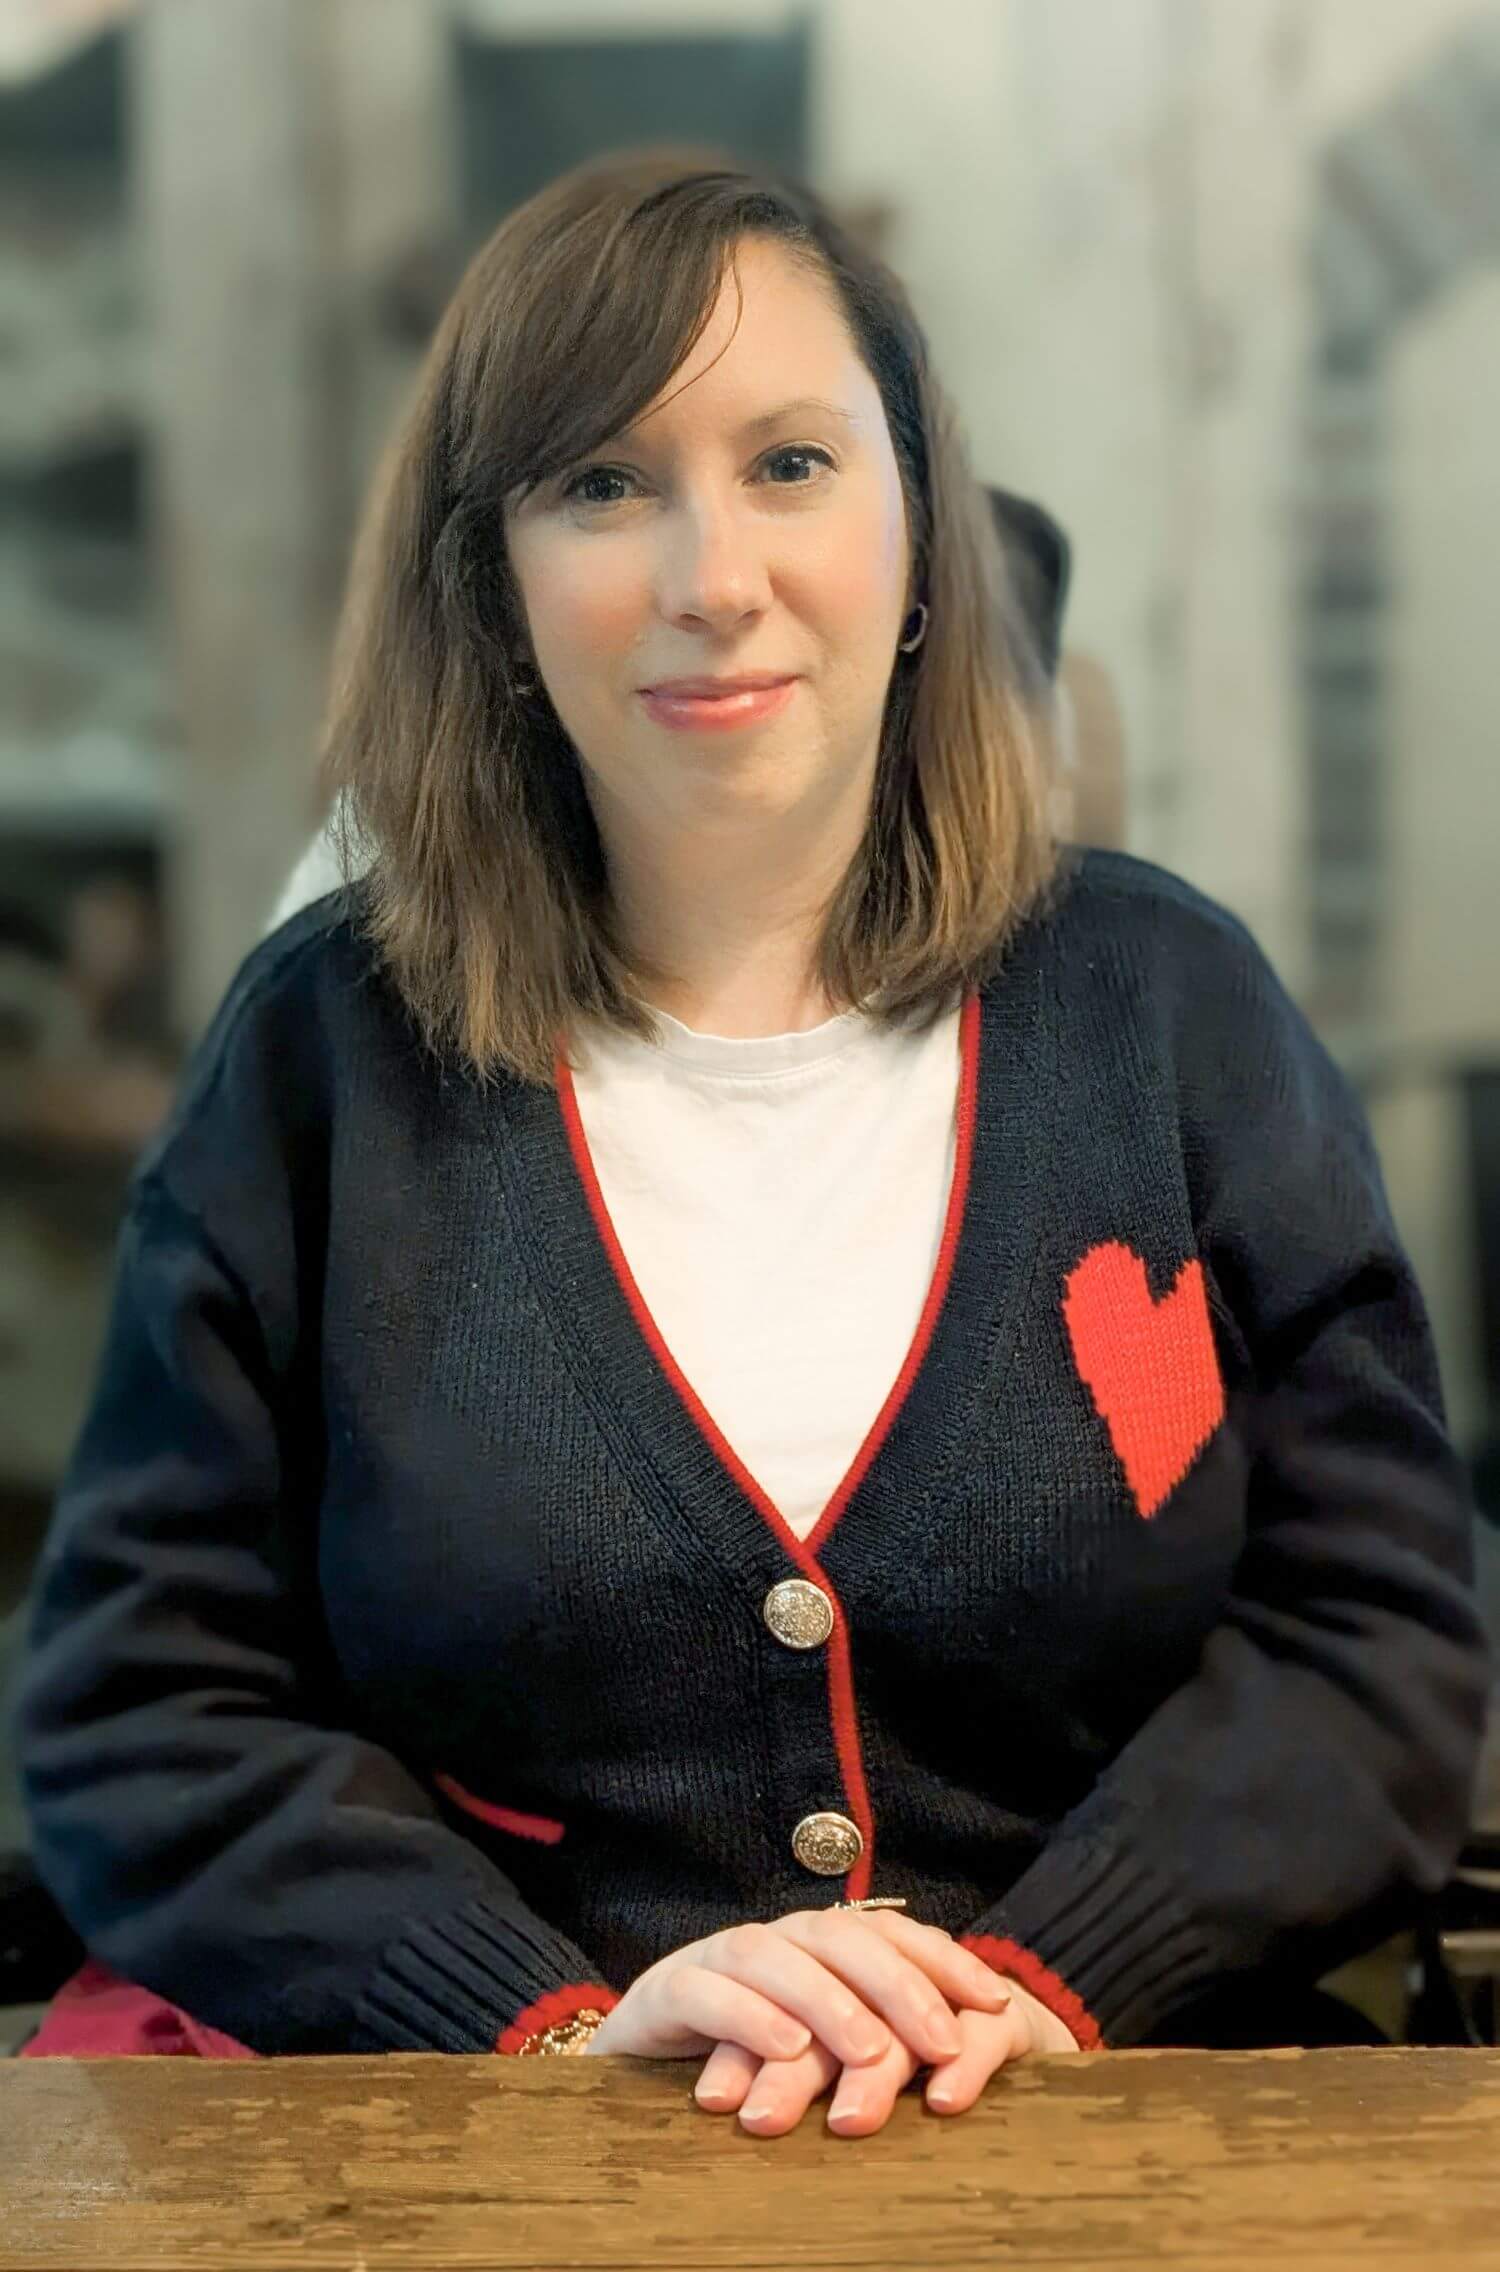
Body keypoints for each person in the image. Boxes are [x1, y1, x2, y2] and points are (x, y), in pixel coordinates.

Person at [10, 147, 1491, 2139]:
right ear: (494, 584)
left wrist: (1057, 1976)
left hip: (1122, 2139)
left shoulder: (1172, 1011)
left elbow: (1377, 1639)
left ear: (918, 529)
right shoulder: (322, 1061)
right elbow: (142, 1703)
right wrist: (544, 2017)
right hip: (493, 2178)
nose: (713, 578)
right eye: (603, 484)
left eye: (791, 462)